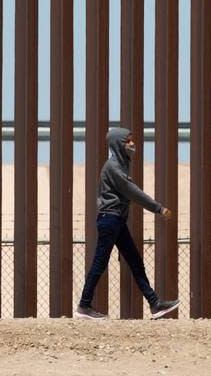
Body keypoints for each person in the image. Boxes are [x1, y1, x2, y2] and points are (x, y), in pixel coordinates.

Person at [75, 127, 180, 320]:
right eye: (128, 141)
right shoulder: (113, 167)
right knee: (100, 262)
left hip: (117, 220)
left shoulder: (121, 165)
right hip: (110, 220)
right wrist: (158, 208)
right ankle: (84, 305)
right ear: (118, 144)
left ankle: (155, 304)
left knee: (134, 261)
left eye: (132, 140)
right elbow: (132, 192)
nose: (132, 144)